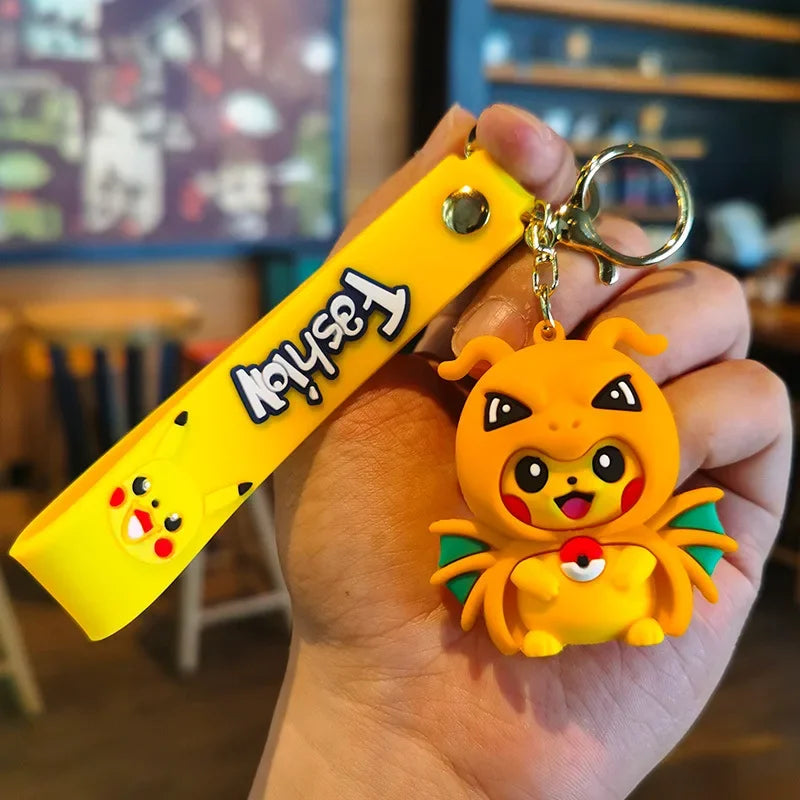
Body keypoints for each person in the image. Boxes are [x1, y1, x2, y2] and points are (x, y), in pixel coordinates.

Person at [249, 104, 792, 799]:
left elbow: (674, 560)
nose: (574, 489)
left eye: (606, 463)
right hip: (525, 616)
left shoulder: (660, 534)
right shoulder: (484, 559)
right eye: (532, 472)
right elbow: (487, 578)